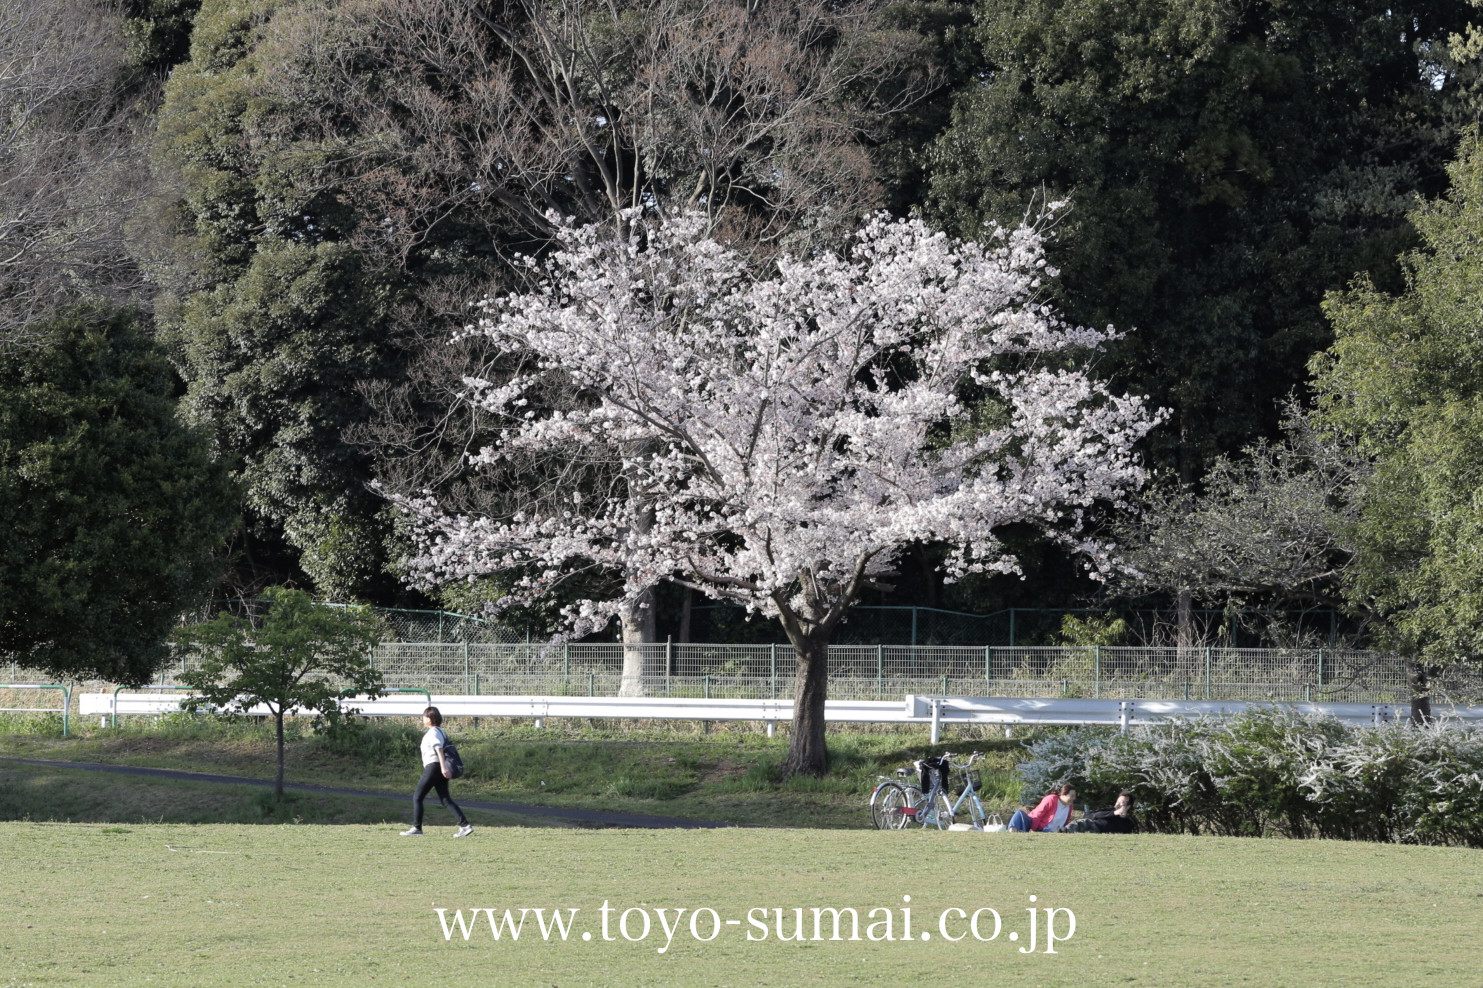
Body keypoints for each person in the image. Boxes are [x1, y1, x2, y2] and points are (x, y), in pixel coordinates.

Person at [401, 706, 473, 837]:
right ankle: (465, 826)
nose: (423, 719)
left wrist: (443, 767)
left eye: (425, 717)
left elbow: (439, 749)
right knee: (445, 799)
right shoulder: (440, 731)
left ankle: (417, 828)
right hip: (438, 767)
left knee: (417, 797)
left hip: (434, 767)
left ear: (431, 718)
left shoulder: (433, 732)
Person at [1006, 782, 1077, 832]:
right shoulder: (1051, 799)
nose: (1074, 798)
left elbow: (1066, 821)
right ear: (1063, 794)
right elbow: (1038, 814)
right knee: (1019, 813)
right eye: (1072, 796)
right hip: (1037, 825)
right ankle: (1012, 830)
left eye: (1074, 796)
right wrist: (1033, 829)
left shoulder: (1069, 806)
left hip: (1054, 831)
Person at [1064, 790, 1138, 834]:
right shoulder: (1108, 811)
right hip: (1090, 823)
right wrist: (1114, 813)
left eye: (1121, 802)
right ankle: (1061, 832)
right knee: (1079, 823)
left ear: (1128, 806)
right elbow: (1090, 816)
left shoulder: (1128, 822)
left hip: (1097, 832)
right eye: (1117, 801)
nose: (1117, 804)